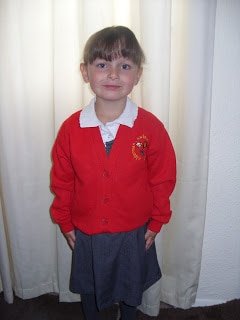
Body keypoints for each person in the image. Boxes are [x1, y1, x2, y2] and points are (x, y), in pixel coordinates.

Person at [50, 26, 176, 320]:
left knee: (131, 287)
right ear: (85, 72)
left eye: (125, 66)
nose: (113, 74)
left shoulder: (150, 128)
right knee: (91, 290)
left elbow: (162, 177)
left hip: (134, 232)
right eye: (103, 64)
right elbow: (63, 180)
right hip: (88, 232)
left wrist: (158, 220)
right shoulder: (71, 129)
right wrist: (64, 219)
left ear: (138, 75)